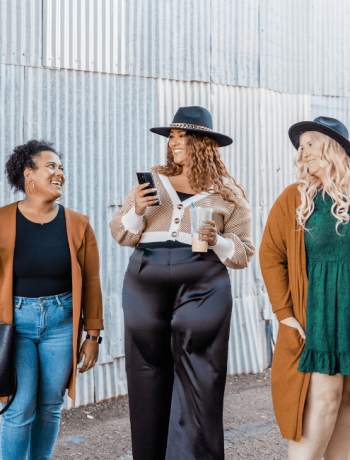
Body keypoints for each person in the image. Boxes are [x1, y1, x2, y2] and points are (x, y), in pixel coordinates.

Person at [110, 106, 255, 460]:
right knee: (146, 370)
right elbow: (120, 233)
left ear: (203, 143)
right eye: (172, 137)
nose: (174, 143)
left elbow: (244, 253)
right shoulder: (151, 182)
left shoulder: (228, 192)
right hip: (146, 279)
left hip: (203, 282)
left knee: (199, 372)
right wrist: (137, 211)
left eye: (182, 137)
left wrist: (217, 239)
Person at [0, 140, 104, 460]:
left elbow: (92, 282)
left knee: (50, 405)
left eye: (61, 168)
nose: (59, 173)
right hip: (15, 324)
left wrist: (93, 335)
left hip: (62, 322)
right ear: (28, 175)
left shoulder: (79, 224)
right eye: (51, 166)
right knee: (19, 404)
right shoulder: (2, 221)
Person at [260, 116, 350, 460]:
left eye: (311, 143)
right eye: (301, 147)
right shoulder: (295, 198)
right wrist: (284, 314)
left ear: (335, 147)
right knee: (324, 399)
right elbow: (270, 256)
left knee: (346, 404)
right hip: (318, 316)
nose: (303, 152)